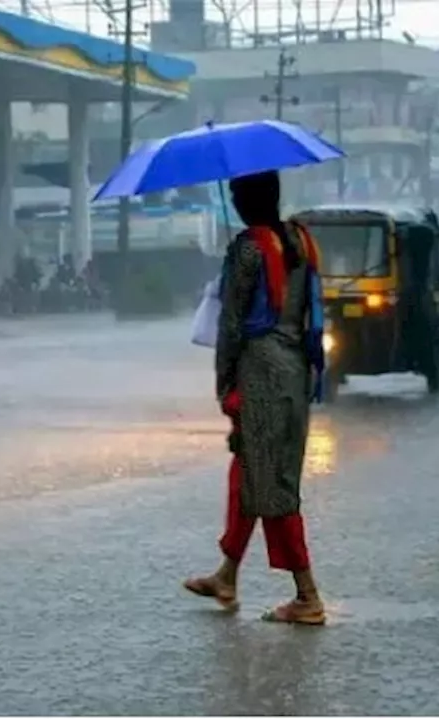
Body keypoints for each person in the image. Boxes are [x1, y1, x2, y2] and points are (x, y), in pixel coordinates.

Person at [183, 170, 327, 626]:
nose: (235, 200)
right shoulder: (301, 240)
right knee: (250, 472)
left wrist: (224, 382)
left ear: (247, 200)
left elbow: (230, 325)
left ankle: (307, 595)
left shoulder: (247, 249)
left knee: (271, 485)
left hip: (260, 373)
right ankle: (227, 574)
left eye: (236, 193)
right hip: (295, 372)